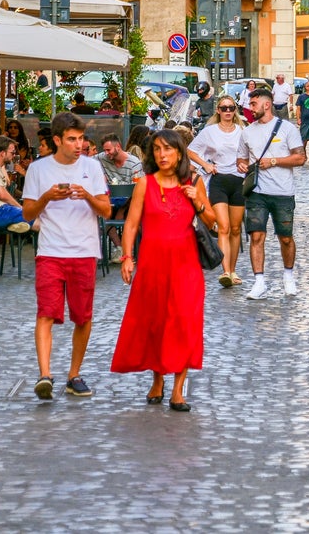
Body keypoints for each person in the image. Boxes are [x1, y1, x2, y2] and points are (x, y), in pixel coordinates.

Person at [111, 130, 216, 412]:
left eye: (168, 149)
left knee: (184, 323)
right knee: (156, 323)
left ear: (180, 153)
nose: (162, 155)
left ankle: (178, 390)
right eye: (157, 149)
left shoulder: (193, 181)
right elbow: (131, 224)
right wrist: (127, 257)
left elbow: (213, 221)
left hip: (186, 267)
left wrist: (197, 200)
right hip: (152, 266)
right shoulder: (144, 184)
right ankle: (157, 380)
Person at [22, 113, 110, 401]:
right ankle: (44, 375)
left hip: (84, 251)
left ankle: (74, 374)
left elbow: (106, 211)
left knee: (83, 317)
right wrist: (47, 197)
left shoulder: (92, 167)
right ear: (57, 140)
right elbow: (28, 214)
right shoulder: (38, 169)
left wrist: (87, 196)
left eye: (81, 138)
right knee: (46, 313)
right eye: (72, 139)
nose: (79, 144)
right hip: (50, 251)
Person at [237, 87, 306, 300]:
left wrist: (274, 161)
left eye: (254, 104)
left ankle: (288, 276)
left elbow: (300, 158)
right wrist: (241, 165)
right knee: (256, 235)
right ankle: (259, 282)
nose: (250, 108)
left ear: (266, 105)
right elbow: (241, 158)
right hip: (256, 191)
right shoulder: (247, 131)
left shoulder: (287, 129)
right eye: (250, 104)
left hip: (283, 192)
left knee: (285, 238)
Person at [187, 96, 245, 286]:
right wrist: (205, 165)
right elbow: (190, 151)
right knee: (224, 227)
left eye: (231, 107)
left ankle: (233, 270)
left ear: (235, 110)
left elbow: (251, 152)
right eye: (224, 108)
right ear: (218, 110)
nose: (228, 111)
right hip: (218, 180)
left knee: (236, 229)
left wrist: (246, 164)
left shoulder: (242, 130)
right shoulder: (210, 132)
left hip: (239, 181)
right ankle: (225, 271)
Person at [0, 137, 33, 235]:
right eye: (12, 153)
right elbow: (2, 195)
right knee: (39, 219)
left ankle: (12, 225)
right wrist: (20, 207)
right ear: (2, 153)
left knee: (39, 219)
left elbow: (8, 184)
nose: (14, 156)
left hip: (2, 210)